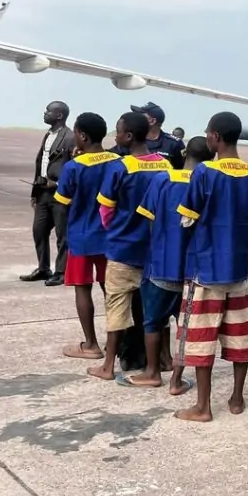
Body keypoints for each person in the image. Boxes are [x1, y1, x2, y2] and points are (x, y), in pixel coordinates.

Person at [173, 111, 248, 422]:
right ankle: (237, 397)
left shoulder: (205, 172)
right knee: (240, 334)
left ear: (215, 137)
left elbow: (187, 218)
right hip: (238, 266)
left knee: (201, 337)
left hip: (206, 265)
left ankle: (203, 406)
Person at [121, 136, 215, 393]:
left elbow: (150, 219)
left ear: (184, 154)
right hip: (193, 270)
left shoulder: (163, 180)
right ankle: (176, 378)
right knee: (185, 325)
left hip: (162, 263)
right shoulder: (208, 184)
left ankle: (152, 372)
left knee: (152, 322)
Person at [87, 112, 173, 381]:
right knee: (157, 309)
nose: (115, 136)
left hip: (123, 248)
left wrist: (116, 229)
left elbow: (105, 209)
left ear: (128, 136)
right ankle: (165, 359)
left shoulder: (120, 167)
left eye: (118, 131)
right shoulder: (165, 165)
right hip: (154, 251)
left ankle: (108, 366)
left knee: (117, 308)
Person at [54, 113, 119, 358]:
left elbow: (62, 202)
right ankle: (116, 344)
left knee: (82, 288)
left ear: (82, 136)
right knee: (111, 291)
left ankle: (91, 344)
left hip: (81, 235)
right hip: (110, 234)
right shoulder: (118, 162)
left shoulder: (74, 167)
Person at [21, 100, 75, 286]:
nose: (45, 113)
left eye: (48, 111)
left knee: (62, 235)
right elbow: (40, 164)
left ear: (59, 115)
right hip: (43, 193)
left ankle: (61, 272)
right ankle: (43, 268)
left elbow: (74, 168)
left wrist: (58, 184)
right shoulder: (48, 135)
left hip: (60, 194)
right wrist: (34, 193)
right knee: (39, 230)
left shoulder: (70, 137)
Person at [112, 102, 185, 169]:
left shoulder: (173, 144)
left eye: (140, 115)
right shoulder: (131, 140)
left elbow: (179, 171)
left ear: (152, 121)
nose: (136, 117)